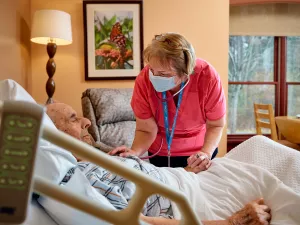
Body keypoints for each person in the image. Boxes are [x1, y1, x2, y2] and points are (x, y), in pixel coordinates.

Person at [45, 102, 277, 225]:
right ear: (52, 136)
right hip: (195, 205)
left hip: (193, 179)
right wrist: (230, 223)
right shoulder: (82, 177)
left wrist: (186, 170)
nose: (86, 121)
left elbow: (146, 179)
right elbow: (137, 222)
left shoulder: (99, 159)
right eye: (73, 118)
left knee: (259, 145)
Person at [109, 32, 226, 171]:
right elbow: (146, 129)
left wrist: (205, 153)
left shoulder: (207, 77)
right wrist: (134, 152)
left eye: (164, 74)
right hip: (160, 154)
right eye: (152, 70)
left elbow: (215, 125)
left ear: (185, 73)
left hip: (198, 154)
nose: (154, 77)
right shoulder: (144, 80)